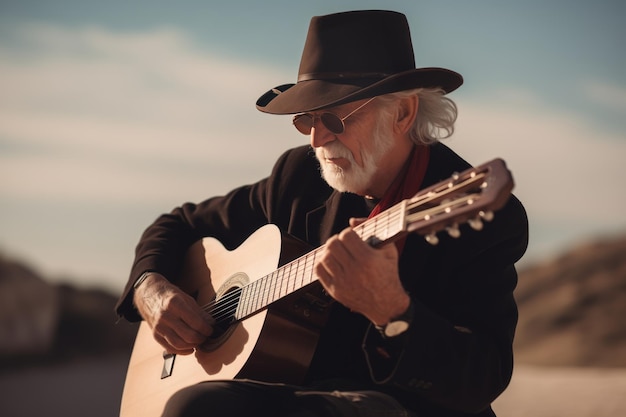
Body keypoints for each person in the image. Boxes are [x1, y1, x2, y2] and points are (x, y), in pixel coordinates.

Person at [115, 9, 528, 417]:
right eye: (306, 120)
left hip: (403, 406)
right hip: (297, 392)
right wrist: (150, 288)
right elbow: (178, 224)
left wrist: (392, 310)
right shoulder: (297, 180)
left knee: (201, 407)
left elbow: (483, 378)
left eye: (333, 117)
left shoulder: (489, 218)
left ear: (402, 113)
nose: (316, 138)